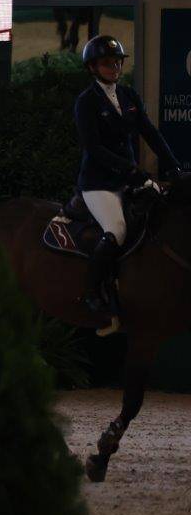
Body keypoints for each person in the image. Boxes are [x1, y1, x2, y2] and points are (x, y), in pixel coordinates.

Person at [74, 35, 182, 326]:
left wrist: (173, 166)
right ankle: (92, 292)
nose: (114, 68)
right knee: (117, 230)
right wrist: (131, 171)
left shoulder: (128, 95)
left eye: (117, 62)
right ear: (93, 68)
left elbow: (150, 133)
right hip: (99, 183)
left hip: (128, 178)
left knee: (159, 214)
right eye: (107, 63)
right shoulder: (86, 102)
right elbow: (94, 148)